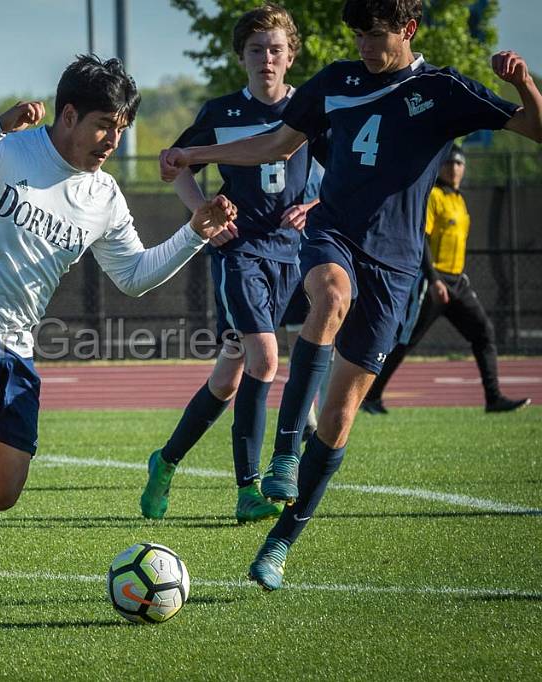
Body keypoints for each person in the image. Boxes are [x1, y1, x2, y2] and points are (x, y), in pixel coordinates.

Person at [160, 0, 541, 590]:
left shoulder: (441, 88)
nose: (365, 45)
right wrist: (195, 154)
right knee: (330, 297)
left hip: (396, 267)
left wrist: (524, 84)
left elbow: (536, 128)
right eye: (359, 34)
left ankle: (282, 540)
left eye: (377, 35)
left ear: (408, 30)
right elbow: (274, 145)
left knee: (338, 420)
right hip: (333, 233)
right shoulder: (335, 80)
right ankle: (284, 454)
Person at [0, 55, 238, 614]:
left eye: (121, 129)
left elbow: (133, 277)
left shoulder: (103, 196)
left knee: (2, 489)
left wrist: (194, 234)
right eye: (103, 124)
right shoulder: (10, 149)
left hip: (15, 343)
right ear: (69, 115)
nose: (112, 139)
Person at [139, 3, 319, 525]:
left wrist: (315, 204)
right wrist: (205, 216)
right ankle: (249, 488)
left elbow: (345, 170)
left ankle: (166, 460)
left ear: (291, 57)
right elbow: (172, 165)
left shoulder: (309, 109)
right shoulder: (223, 113)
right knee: (265, 359)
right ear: (242, 56)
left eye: (276, 50)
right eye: (257, 49)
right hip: (240, 254)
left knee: (230, 376)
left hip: (292, 253)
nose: (267, 58)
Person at [361, 144, 530, 414]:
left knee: (483, 333)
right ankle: (370, 396)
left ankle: (493, 398)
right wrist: (434, 278)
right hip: (432, 281)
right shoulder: (435, 196)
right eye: (449, 163)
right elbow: (422, 239)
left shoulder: (459, 199)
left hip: (458, 282)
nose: (454, 168)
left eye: (459, 164)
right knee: (406, 340)